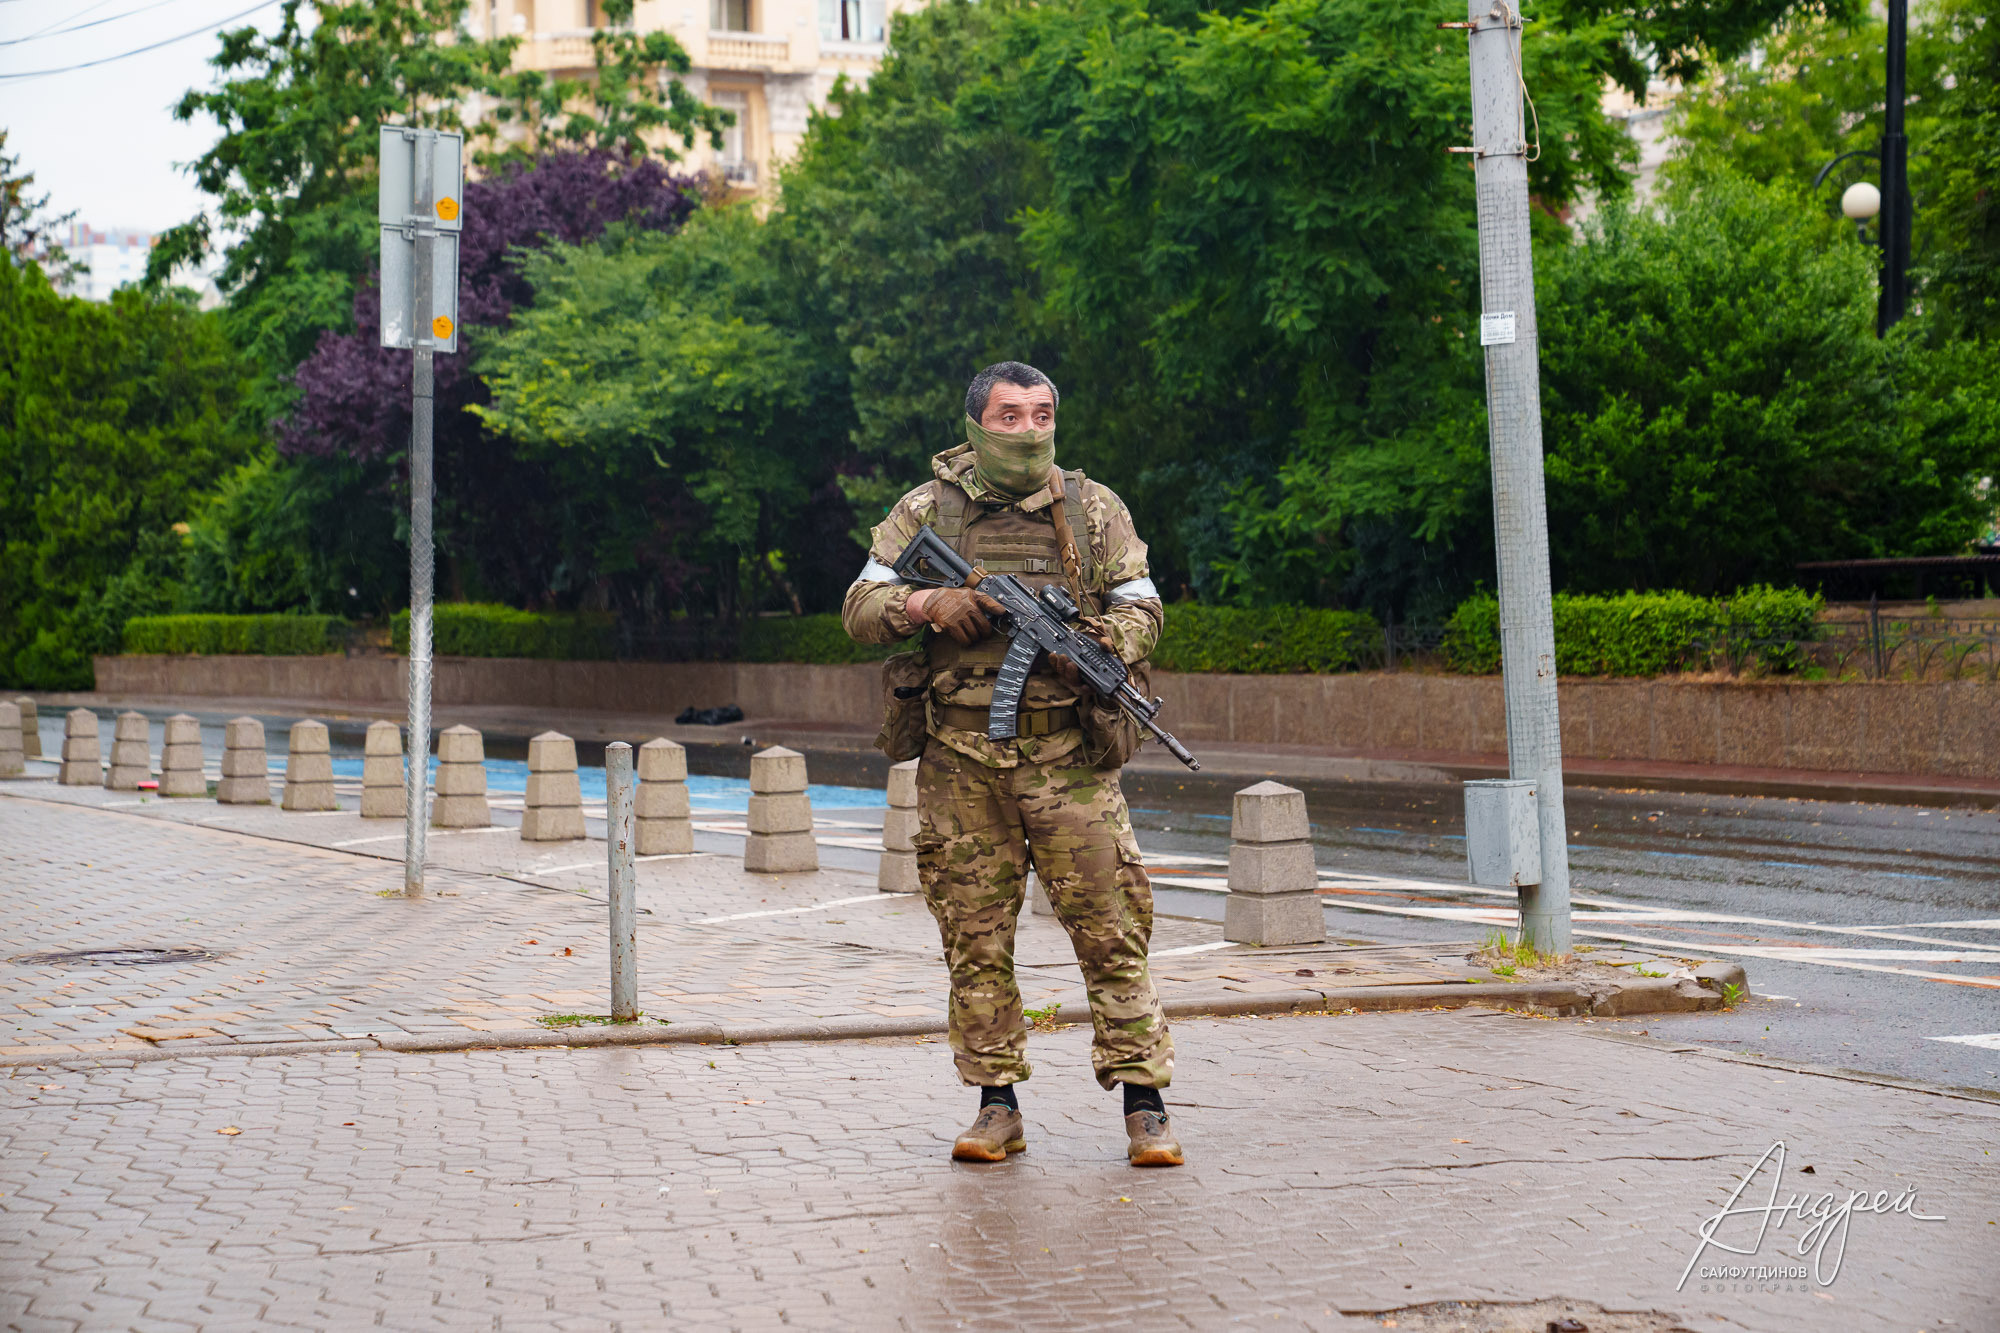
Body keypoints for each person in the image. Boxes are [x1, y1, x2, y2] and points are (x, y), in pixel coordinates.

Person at [841, 361, 1181, 1168]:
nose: (1028, 431)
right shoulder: (925, 511)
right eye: (1010, 416)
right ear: (975, 425)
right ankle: (996, 1105)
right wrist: (928, 604)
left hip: (1070, 757)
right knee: (975, 939)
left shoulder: (1095, 510)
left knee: (1113, 929)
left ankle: (1146, 1103)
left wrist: (1106, 645)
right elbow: (860, 605)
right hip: (961, 761)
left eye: (1041, 416)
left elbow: (1144, 603)